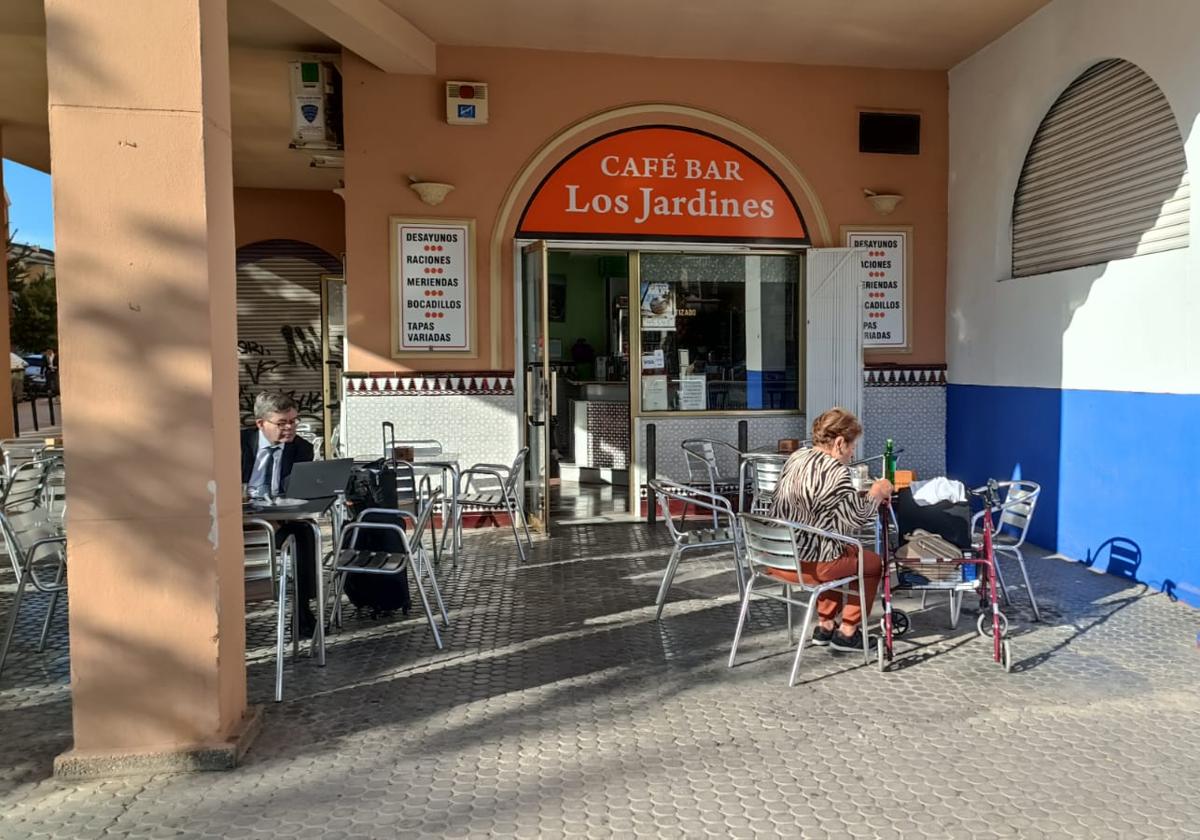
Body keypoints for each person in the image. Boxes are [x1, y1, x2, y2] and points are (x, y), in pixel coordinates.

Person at [769, 407, 892, 652]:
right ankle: (848, 631)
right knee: (873, 564)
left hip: (776, 557)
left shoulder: (796, 457)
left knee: (839, 549)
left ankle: (825, 625)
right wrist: (876, 493)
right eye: (852, 445)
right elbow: (857, 518)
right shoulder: (836, 471)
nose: (853, 452)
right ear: (839, 443)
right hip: (809, 564)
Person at [240, 391, 320, 636]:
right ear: (261, 424)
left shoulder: (301, 449)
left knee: (306, 534)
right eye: (282, 423)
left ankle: (302, 611)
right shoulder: (237, 443)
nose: (290, 428)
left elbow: (298, 493)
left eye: (293, 421)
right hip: (237, 517)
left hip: (276, 516)